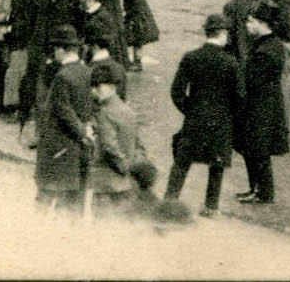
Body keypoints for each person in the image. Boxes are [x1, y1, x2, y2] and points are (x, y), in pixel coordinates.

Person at [166, 14, 241, 217]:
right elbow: (240, 97)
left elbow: (176, 92)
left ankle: (170, 200)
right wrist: (228, 114)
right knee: (217, 164)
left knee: (182, 161)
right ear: (223, 33)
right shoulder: (231, 62)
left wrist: (190, 109)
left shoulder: (191, 57)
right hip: (220, 122)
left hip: (195, 119)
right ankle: (210, 207)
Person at [34, 24, 93, 210]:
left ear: (61, 49)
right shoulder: (87, 72)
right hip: (77, 148)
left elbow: (63, 109)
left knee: (46, 194)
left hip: (58, 144)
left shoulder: (62, 76)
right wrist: (85, 133)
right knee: (71, 199)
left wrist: (81, 133)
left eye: (55, 49)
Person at [236, 1, 289, 204]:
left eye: (250, 22)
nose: (247, 26)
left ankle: (262, 192)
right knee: (254, 150)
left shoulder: (266, 50)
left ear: (261, 23)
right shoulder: (268, 44)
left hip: (261, 108)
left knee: (258, 151)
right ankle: (256, 189)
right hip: (262, 106)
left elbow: (252, 82)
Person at [90, 63, 152, 214]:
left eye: (97, 87)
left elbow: (109, 146)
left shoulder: (105, 113)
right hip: (126, 184)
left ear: (109, 87)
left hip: (106, 182)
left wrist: (124, 167)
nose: (94, 92)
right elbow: (138, 144)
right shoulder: (128, 110)